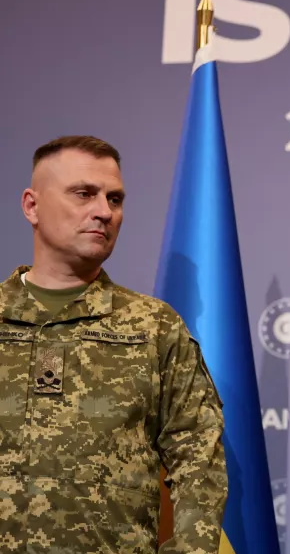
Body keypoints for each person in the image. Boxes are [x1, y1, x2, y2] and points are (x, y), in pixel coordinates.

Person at [0, 136, 227, 552]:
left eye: (115, 198)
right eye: (83, 194)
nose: (104, 211)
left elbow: (199, 462)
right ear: (32, 206)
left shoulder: (153, 326)